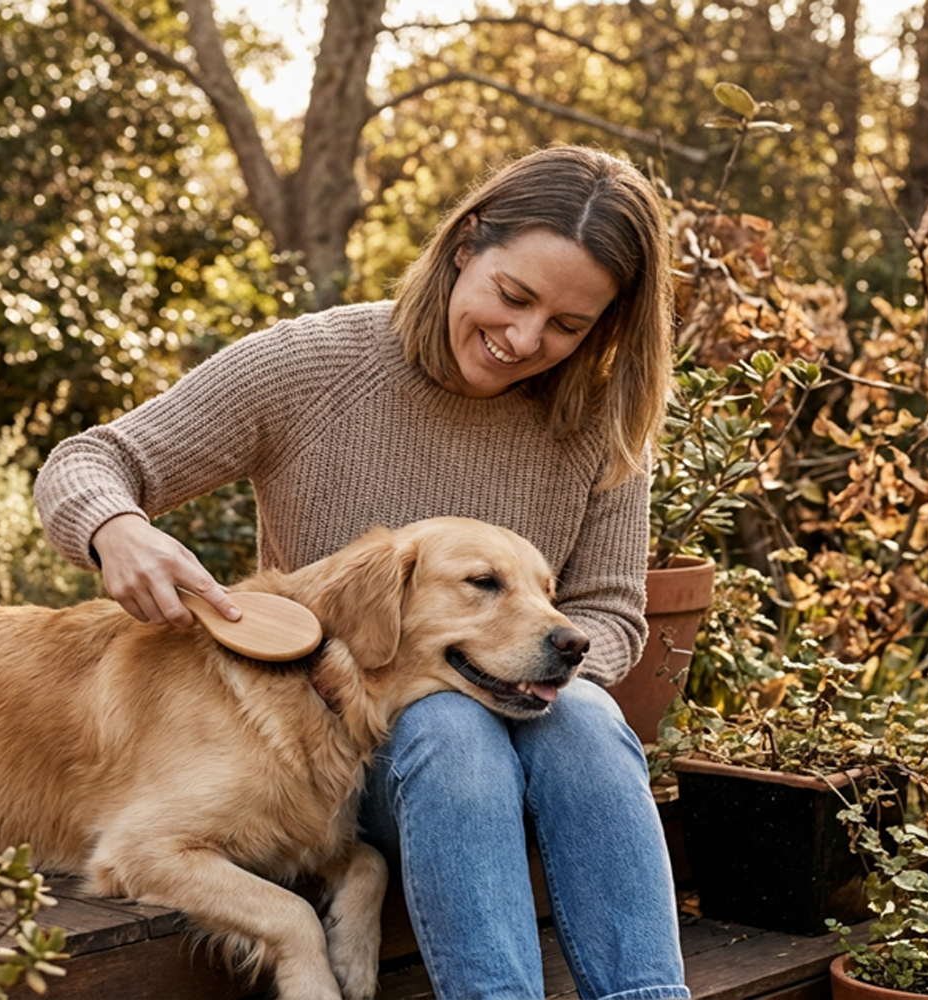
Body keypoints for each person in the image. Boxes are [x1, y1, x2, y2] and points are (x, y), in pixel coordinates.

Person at [34, 144, 689, 1000]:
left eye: (569, 326)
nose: (525, 339)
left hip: (536, 748)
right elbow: (91, 460)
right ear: (464, 245)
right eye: (513, 295)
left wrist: (499, 682)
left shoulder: (598, 422)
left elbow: (607, 615)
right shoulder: (315, 364)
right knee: (453, 736)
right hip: (341, 749)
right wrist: (116, 527)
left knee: (588, 723)